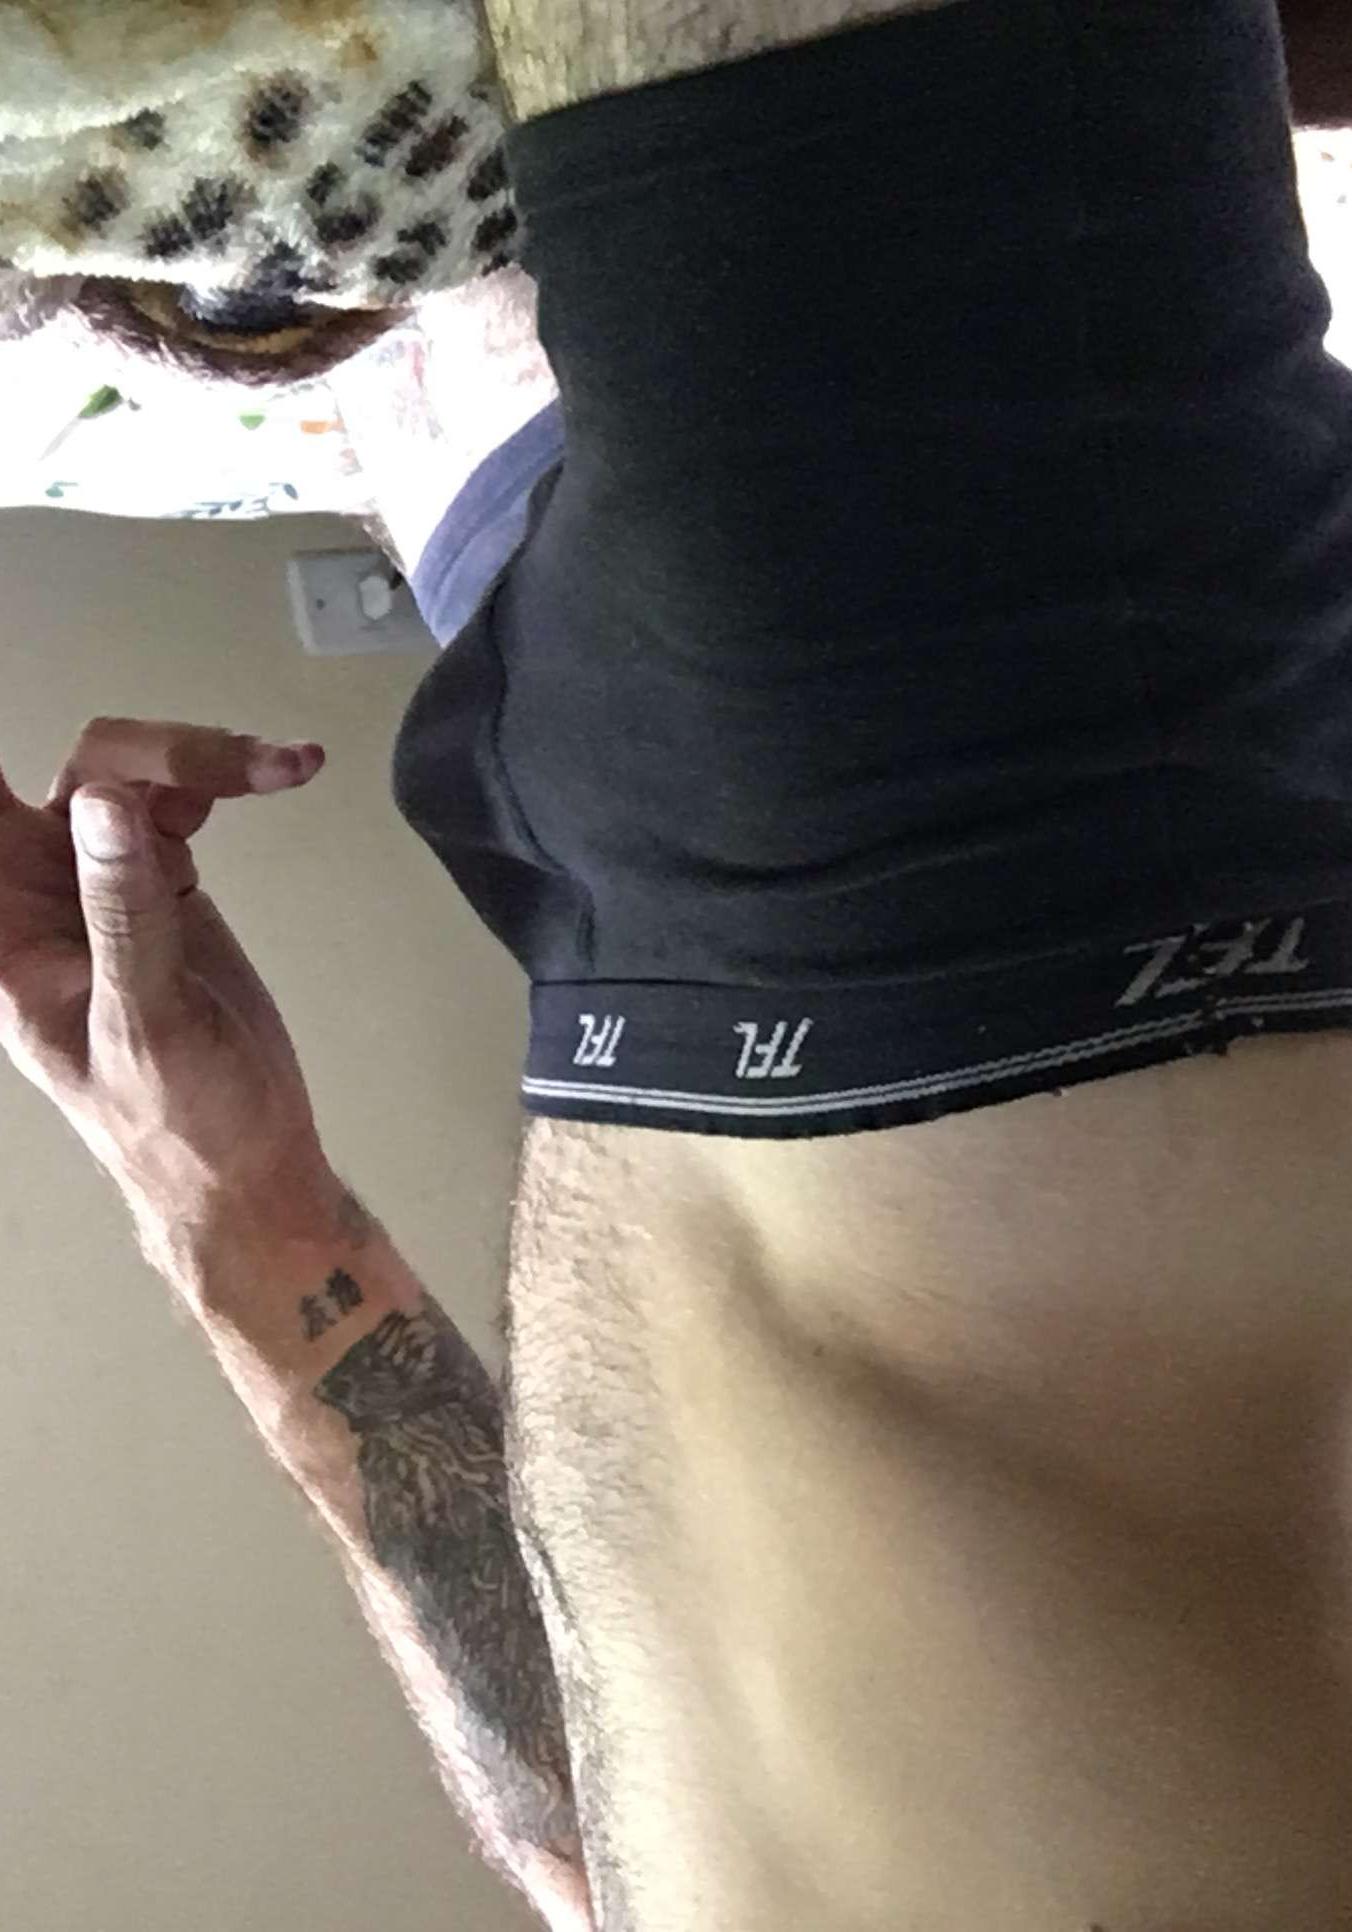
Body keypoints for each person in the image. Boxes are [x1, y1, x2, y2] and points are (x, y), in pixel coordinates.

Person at [4, 1, 1352, 1927]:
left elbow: (597, 1853)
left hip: (664, 993)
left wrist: (247, 1219)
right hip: (1023, 902)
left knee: (393, 193)